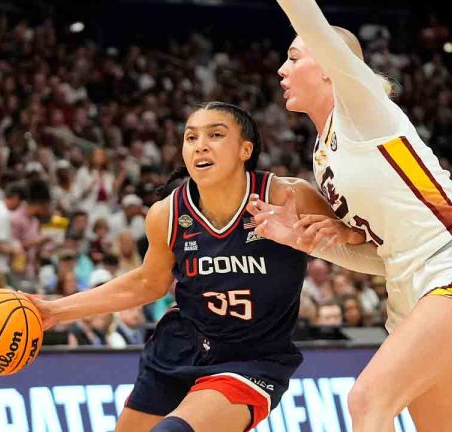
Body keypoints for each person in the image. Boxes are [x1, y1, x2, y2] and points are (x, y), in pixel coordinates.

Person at [24, 102, 379, 432]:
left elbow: (364, 242)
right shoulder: (167, 213)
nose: (200, 145)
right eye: (191, 136)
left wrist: (344, 235)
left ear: (246, 149)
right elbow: (146, 283)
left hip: (251, 359)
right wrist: (55, 310)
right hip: (179, 348)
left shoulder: (286, 196)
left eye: (215, 134)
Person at [246, 2, 452, 430]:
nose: (281, 70)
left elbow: (313, 24)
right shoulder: (323, 156)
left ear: (330, 67)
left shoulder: (362, 108)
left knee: (366, 402)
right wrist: (305, 241)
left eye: (294, 57)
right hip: (406, 287)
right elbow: (379, 259)